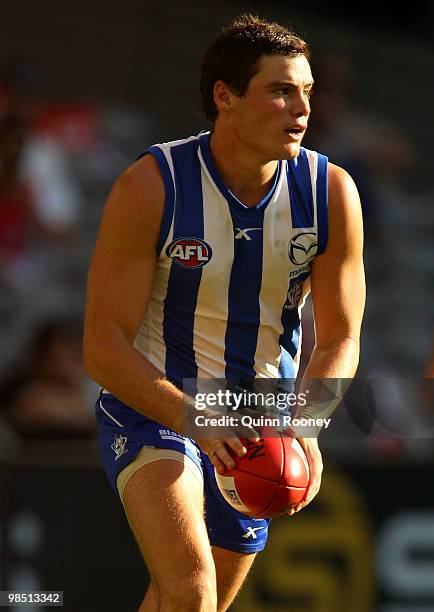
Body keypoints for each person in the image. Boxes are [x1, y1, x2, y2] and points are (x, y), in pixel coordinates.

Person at [83, 14, 365, 612]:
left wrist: (307, 425)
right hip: (157, 406)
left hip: (257, 423)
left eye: (307, 92)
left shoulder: (331, 192)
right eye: (281, 90)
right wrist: (194, 419)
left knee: (178, 601)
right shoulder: (152, 186)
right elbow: (102, 347)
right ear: (225, 97)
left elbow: (340, 336)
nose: (301, 108)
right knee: (192, 589)